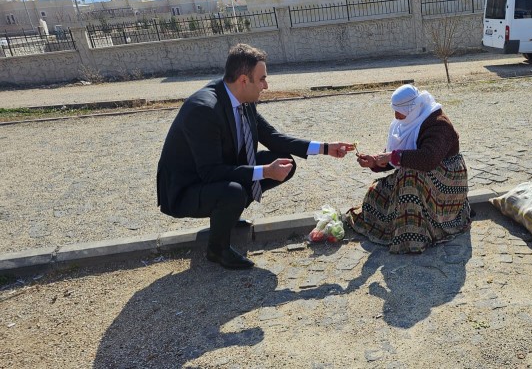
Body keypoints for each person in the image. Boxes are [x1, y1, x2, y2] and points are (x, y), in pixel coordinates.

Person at [156, 43, 354, 270]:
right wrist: (265, 171)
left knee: (285, 161)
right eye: (262, 79)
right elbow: (210, 172)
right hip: (186, 189)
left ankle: (227, 216)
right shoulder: (204, 109)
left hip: (213, 175)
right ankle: (217, 249)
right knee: (233, 192)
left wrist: (326, 148)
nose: (266, 86)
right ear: (243, 80)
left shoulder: (243, 100)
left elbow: (273, 137)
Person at [347, 84, 471, 254]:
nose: (396, 116)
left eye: (399, 111)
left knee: (409, 181)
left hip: (447, 175)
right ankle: (395, 228)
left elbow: (428, 159)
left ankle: (413, 239)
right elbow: (397, 156)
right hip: (419, 171)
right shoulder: (406, 122)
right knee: (377, 192)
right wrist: (375, 162)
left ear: (411, 108)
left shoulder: (439, 124)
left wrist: (392, 157)